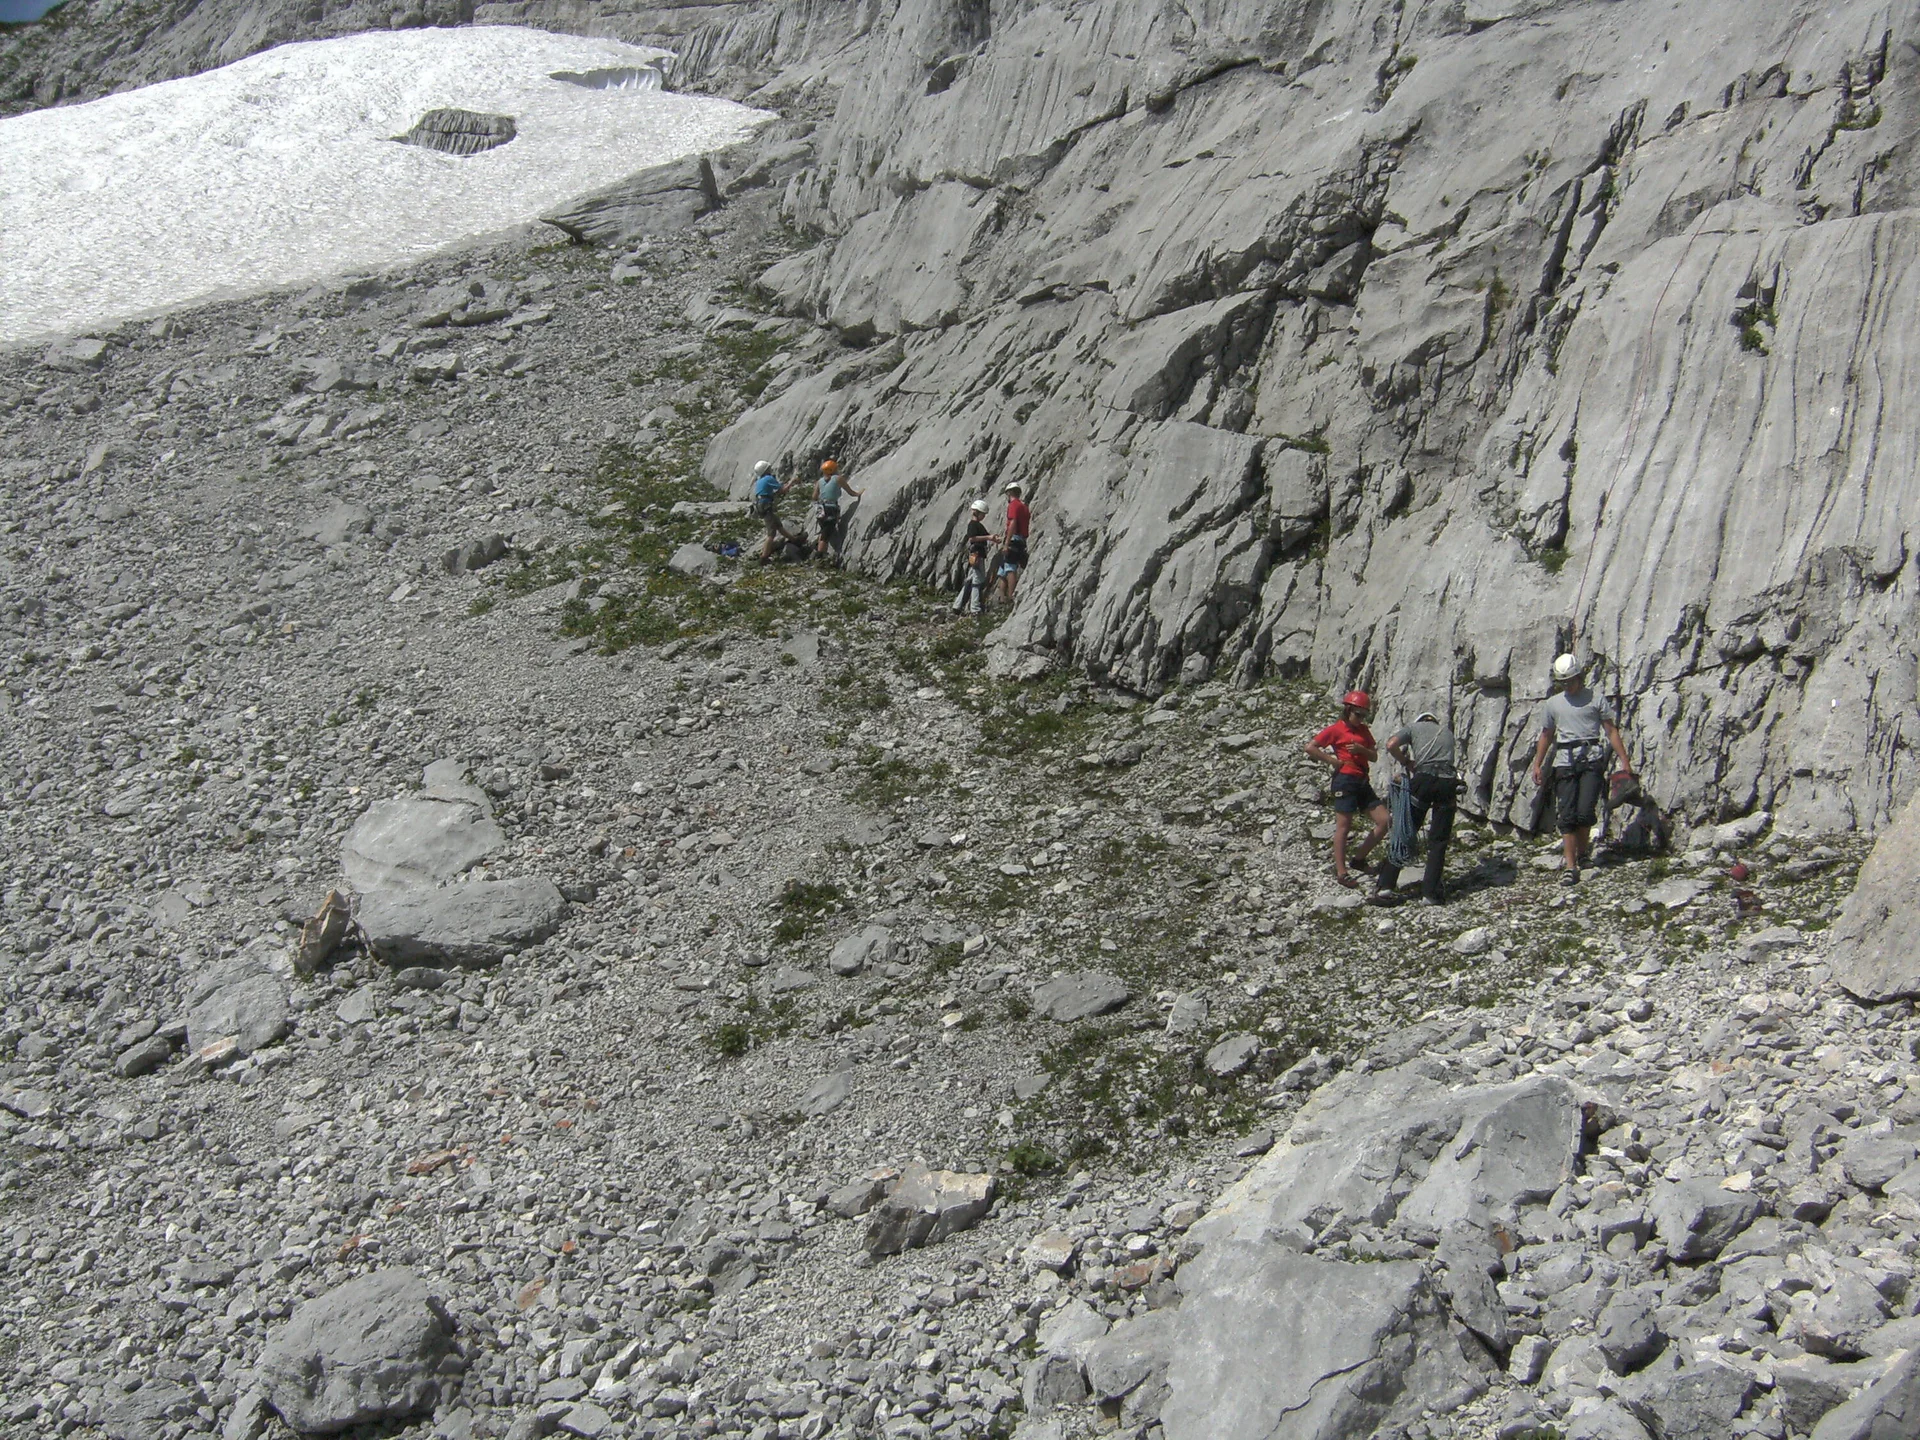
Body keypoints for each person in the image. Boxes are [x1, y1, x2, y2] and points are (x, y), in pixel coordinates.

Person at [1530, 653, 1634, 885]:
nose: (1567, 685)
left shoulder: (1596, 700)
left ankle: (1583, 853)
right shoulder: (1553, 704)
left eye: (1569, 680)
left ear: (1579, 677)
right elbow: (1546, 735)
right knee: (1566, 815)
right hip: (1565, 761)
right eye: (1562, 682)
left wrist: (1624, 761)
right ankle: (1570, 865)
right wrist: (1538, 763)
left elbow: (1611, 731)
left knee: (1585, 811)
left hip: (1591, 760)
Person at [1306, 690, 1390, 888]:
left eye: (1363, 715)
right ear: (1348, 710)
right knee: (1344, 825)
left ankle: (1359, 859)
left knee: (1384, 821)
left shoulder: (1364, 731)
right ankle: (1342, 872)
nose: (1360, 719)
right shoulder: (1336, 729)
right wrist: (1333, 761)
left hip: (1362, 780)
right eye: (1357, 714)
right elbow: (1310, 747)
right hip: (1345, 780)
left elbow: (1374, 756)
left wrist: (1361, 750)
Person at [1378, 711, 1460, 905]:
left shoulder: (1413, 728)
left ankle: (1385, 886)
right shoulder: (1447, 732)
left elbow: (1391, 744)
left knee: (1404, 830)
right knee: (1438, 840)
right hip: (1448, 782)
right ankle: (1430, 893)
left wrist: (1406, 762)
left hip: (1423, 779)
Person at [814, 458, 862, 564]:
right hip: (830, 508)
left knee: (823, 530)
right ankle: (820, 556)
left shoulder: (819, 481)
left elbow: (814, 496)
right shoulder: (838, 479)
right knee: (826, 532)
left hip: (820, 507)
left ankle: (820, 552)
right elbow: (849, 491)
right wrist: (858, 494)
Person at [751, 460, 800, 564]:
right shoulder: (769, 478)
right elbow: (782, 490)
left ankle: (794, 540)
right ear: (766, 470)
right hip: (766, 505)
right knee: (771, 534)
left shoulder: (760, 480)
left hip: (760, 505)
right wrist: (792, 482)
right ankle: (764, 558)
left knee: (778, 525)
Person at [997, 481, 1031, 604]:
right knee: (1003, 568)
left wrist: (1006, 542)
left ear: (1009, 493)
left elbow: (1013, 523)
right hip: (1021, 539)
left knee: (1009, 568)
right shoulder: (1024, 507)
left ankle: (1010, 596)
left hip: (1013, 539)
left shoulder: (1013, 505)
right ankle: (1001, 597)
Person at [956, 498, 991, 613]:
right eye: (983, 514)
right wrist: (989, 538)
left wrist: (992, 538)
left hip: (976, 554)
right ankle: (975, 608)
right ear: (978, 512)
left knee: (971, 579)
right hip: (977, 554)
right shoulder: (973, 525)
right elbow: (972, 538)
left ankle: (957, 605)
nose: (984, 516)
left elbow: (986, 535)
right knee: (977, 580)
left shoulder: (977, 525)